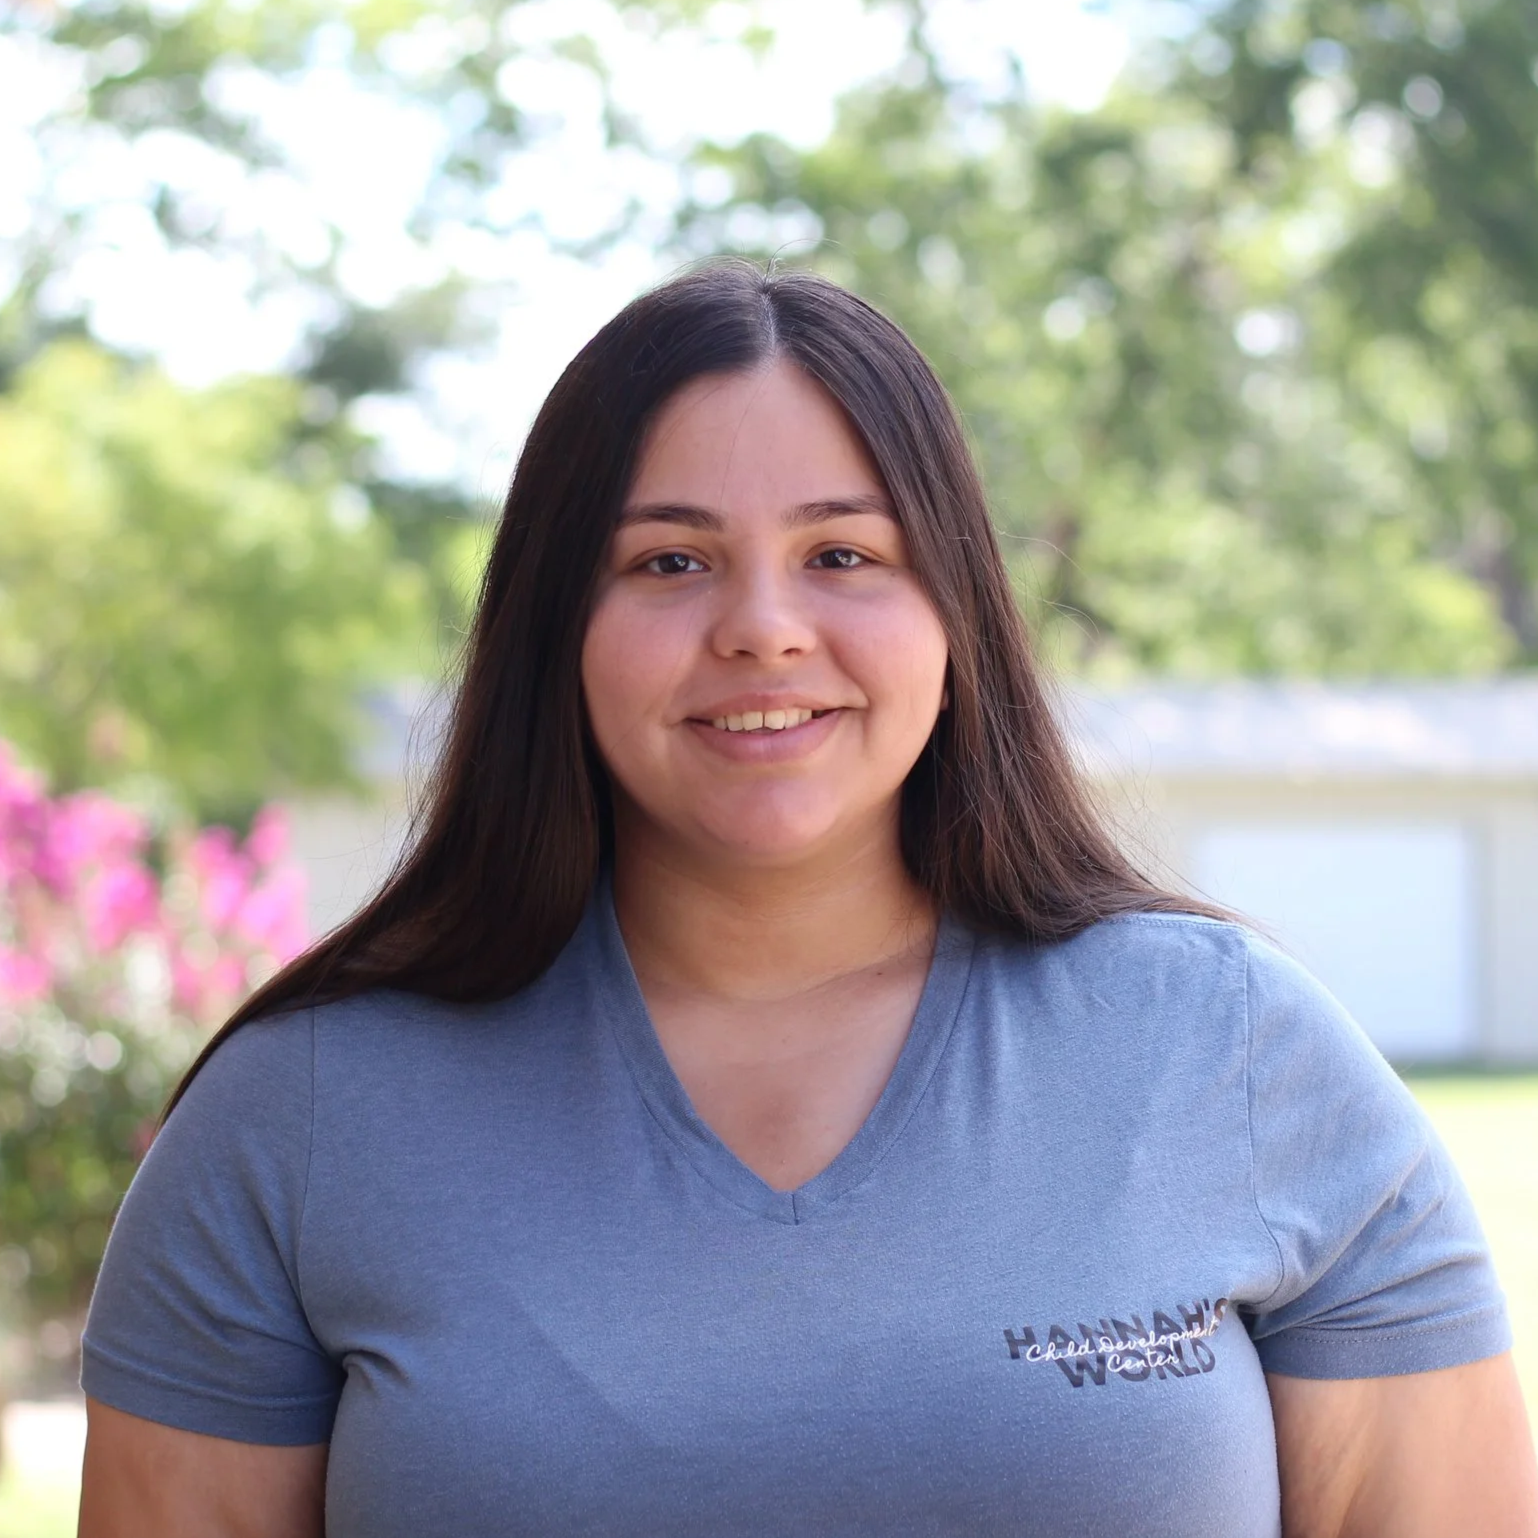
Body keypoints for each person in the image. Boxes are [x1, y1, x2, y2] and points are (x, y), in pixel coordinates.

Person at [78, 261, 1538, 1538]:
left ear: (951, 609)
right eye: (669, 561)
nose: (762, 628)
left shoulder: (1236, 1054)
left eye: (843, 554)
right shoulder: (306, 1113)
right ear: (552, 625)